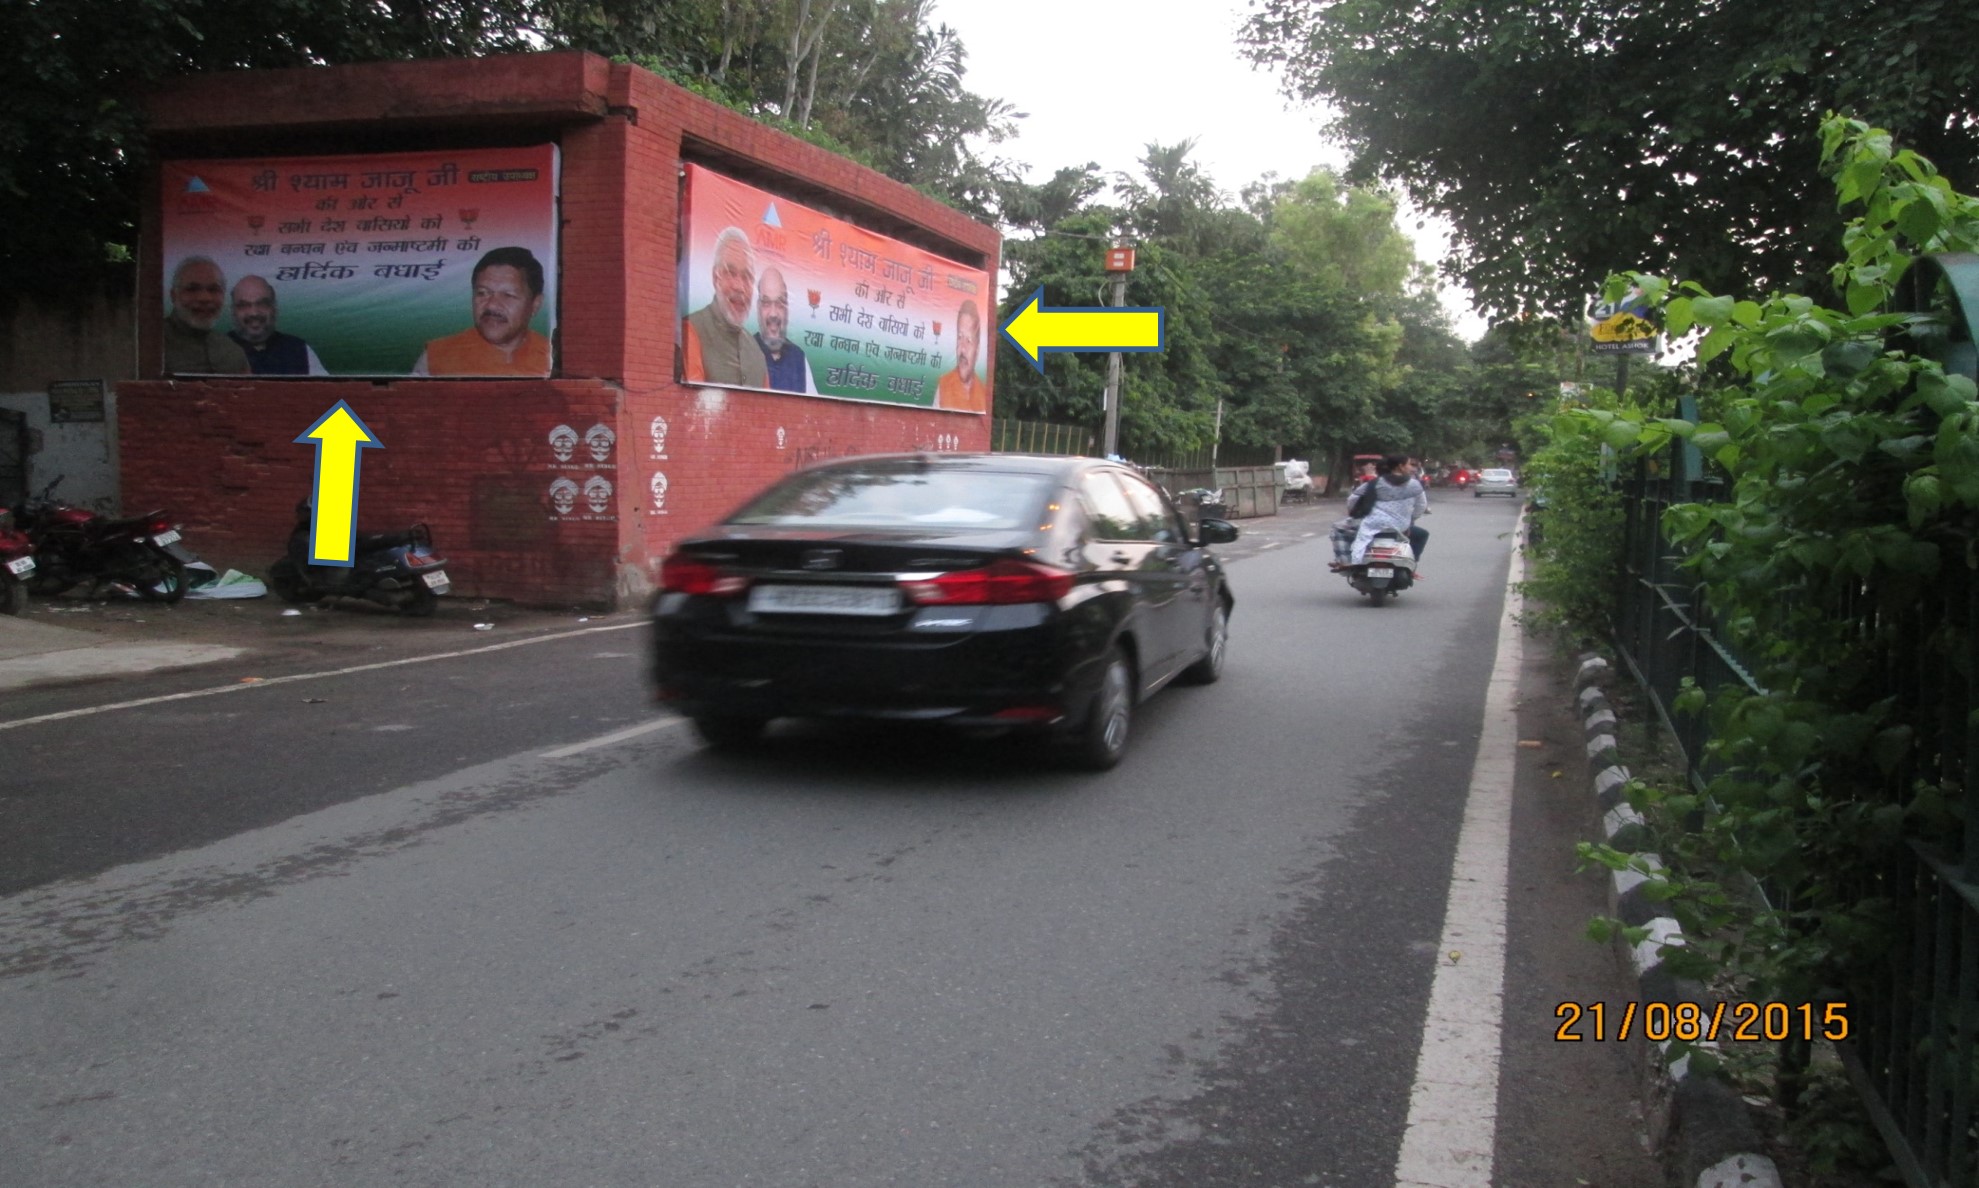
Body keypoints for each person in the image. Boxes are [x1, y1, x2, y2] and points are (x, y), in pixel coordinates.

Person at [411, 247, 552, 377]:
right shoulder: (436, 358)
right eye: (482, 293)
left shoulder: (552, 358)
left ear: (535, 304)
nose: (492, 305)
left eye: (508, 295)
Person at [681, 227, 770, 389]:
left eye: (747, 277)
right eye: (731, 273)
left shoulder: (757, 353)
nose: (740, 287)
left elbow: (768, 410)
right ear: (716, 278)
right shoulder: (692, 331)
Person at [163, 256, 250, 375]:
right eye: (192, 289)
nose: (204, 298)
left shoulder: (232, 353)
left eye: (213, 290)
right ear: (173, 296)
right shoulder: (152, 344)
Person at [227, 276, 327, 376]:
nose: (254, 313)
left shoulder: (299, 350)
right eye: (244, 305)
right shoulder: (216, 351)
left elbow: (325, 390)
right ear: (233, 312)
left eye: (262, 304)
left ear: (274, 308)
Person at [1348, 454, 1431, 568]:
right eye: (1409, 464)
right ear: (1400, 466)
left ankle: (1350, 562)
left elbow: (1353, 499)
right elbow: (1421, 506)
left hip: (1373, 524)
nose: (1411, 468)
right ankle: (1412, 564)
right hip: (1401, 526)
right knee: (1422, 535)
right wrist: (1411, 519)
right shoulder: (1414, 485)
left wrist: (1355, 513)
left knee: (1349, 532)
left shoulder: (1375, 483)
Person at [753, 267, 816, 394]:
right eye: (766, 303)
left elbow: (815, 410)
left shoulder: (799, 358)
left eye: (780, 303)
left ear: (787, 310)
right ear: (758, 308)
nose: (773, 314)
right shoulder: (744, 352)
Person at [935, 300, 986, 413]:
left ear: (977, 350)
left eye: (968, 340)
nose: (962, 349)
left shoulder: (983, 395)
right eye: (959, 337)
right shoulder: (943, 386)